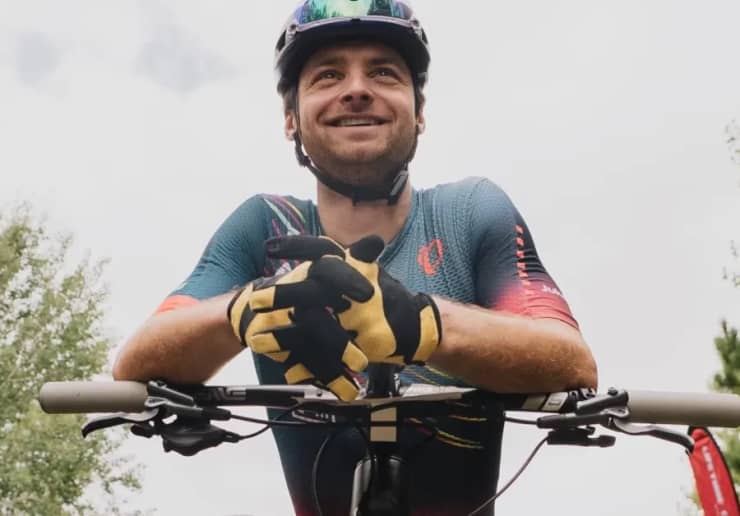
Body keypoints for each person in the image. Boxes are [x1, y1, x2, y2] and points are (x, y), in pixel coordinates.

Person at [113, 1, 598, 514]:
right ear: (289, 119)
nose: (357, 88)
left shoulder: (470, 211)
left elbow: (571, 360)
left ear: (420, 112)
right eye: (328, 75)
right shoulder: (265, 226)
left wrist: (424, 324)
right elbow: (136, 362)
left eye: (384, 72)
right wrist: (244, 309)